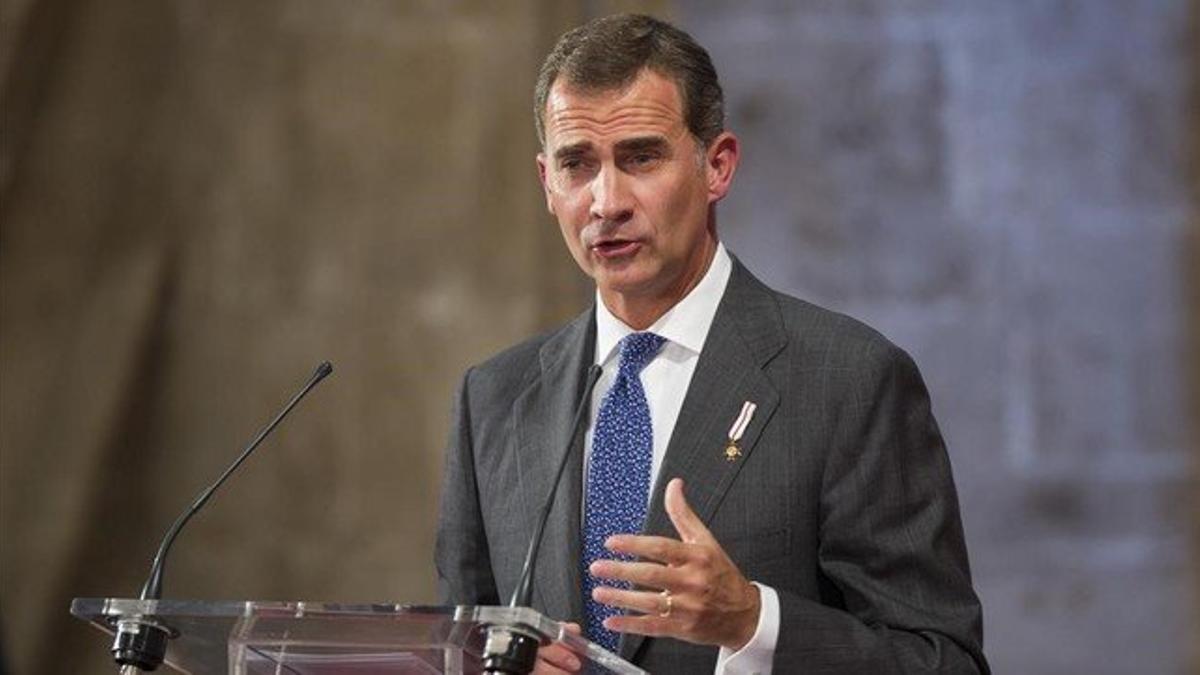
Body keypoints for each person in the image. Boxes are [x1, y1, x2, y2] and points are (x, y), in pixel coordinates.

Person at [436, 13, 987, 674]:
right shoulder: (495, 398)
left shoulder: (849, 380)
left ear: (717, 166)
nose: (606, 201)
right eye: (576, 164)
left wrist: (753, 621)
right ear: (547, 185)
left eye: (640, 156)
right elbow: (461, 647)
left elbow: (944, 661)